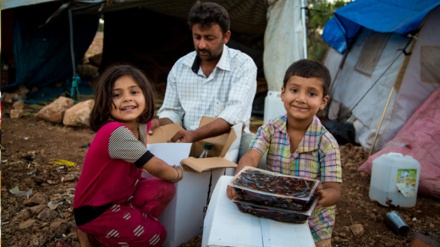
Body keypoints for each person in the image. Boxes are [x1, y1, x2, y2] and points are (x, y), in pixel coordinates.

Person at [227, 59, 342, 247]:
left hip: (312, 219)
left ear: (323, 102)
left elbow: (334, 190)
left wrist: (324, 195)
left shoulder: (327, 143)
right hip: (276, 206)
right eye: (294, 90)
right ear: (283, 93)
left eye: (311, 93)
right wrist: (239, 179)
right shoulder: (270, 129)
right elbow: (252, 155)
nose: (301, 99)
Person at [73, 64, 183, 247]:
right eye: (117, 95)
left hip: (121, 197)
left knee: (165, 189)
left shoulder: (140, 125)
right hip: (96, 209)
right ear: (105, 103)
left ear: (145, 96)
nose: (127, 99)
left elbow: (151, 124)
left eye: (134, 92)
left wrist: (161, 122)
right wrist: (177, 173)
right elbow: (155, 166)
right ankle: (97, 236)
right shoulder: (114, 132)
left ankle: (128, 225)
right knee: (157, 236)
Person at [149, 1, 257, 158]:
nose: (201, 45)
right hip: (187, 139)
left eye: (209, 38)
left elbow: (232, 116)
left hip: (230, 140)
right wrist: (159, 123)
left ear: (226, 37)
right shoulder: (181, 67)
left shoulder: (243, 65)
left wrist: (194, 134)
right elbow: (172, 110)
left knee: (251, 146)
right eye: (197, 37)